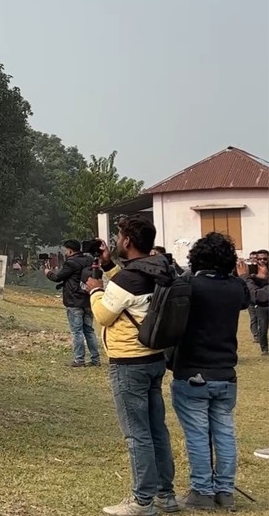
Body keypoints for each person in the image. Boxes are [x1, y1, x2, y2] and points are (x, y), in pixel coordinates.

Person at [85, 216, 177, 516]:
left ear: (128, 241)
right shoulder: (161, 268)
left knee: (137, 434)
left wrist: (95, 289)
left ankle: (142, 501)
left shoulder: (127, 280)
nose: (116, 241)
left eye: (119, 236)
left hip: (128, 363)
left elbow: (103, 315)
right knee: (156, 430)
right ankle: (166, 495)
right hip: (153, 358)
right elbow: (132, 295)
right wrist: (110, 266)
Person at [168, 232, 248, 511]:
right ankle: (225, 491)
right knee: (225, 432)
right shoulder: (237, 288)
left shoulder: (191, 286)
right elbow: (245, 292)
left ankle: (201, 490)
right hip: (226, 372)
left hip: (192, 371)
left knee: (198, 435)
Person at [45, 239, 100, 367]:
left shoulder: (71, 263)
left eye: (65, 250)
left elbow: (58, 277)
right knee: (89, 331)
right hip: (87, 299)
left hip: (74, 301)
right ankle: (95, 359)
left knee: (77, 332)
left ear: (70, 250)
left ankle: (79, 359)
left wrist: (48, 273)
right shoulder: (89, 260)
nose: (65, 252)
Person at [239, 249, 269, 356]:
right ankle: (264, 348)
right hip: (260, 304)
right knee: (263, 326)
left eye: (264, 259)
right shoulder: (253, 272)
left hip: (261, 298)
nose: (262, 261)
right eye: (259, 259)